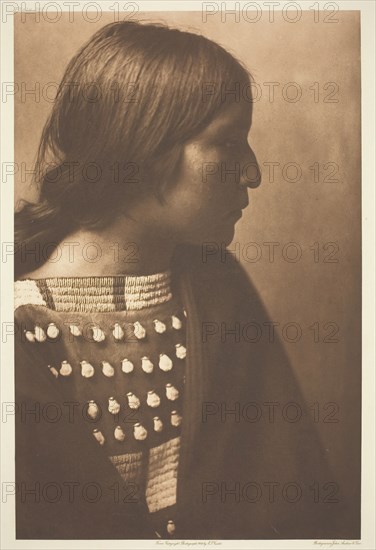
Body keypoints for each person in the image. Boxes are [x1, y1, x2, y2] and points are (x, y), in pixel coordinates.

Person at [14, 20, 354, 540]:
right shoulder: (18, 333)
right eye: (228, 144)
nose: (254, 173)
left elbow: (295, 507)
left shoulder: (218, 288)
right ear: (143, 149)